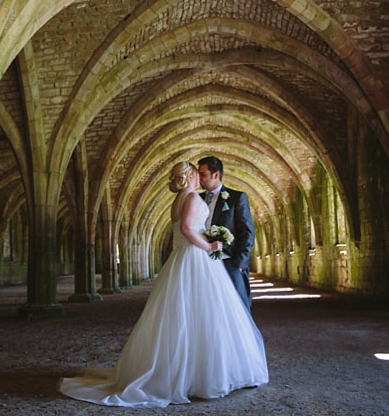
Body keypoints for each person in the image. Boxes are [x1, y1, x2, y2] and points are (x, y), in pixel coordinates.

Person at [59, 162, 268, 408]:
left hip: (182, 259)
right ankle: (202, 375)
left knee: (184, 316)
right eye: (196, 174)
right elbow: (187, 229)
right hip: (195, 258)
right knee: (206, 315)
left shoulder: (179, 198)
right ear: (189, 176)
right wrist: (210, 246)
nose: (199, 178)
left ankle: (187, 370)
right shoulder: (191, 197)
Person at [198, 156, 254, 310]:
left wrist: (239, 264)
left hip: (229, 262)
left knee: (237, 309)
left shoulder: (236, 198)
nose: (199, 179)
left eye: (203, 174)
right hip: (202, 263)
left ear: (215, 175)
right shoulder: (195, 199)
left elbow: (247, 232)